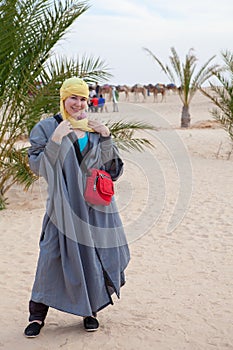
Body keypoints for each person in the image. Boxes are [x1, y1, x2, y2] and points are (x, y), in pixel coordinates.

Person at [24, 77, 130, 337]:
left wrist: (106, 137)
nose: (78, 103)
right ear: (63, 99)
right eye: (73, 97)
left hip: (96, 208)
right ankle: (37, 316)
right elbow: (39, 168)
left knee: (91, 256)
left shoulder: (94, 128)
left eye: (83, 98)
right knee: (50, 256)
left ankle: (89, 311)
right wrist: (56, 141)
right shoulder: (47, 128)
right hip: (62, 208)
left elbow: (111, 171)